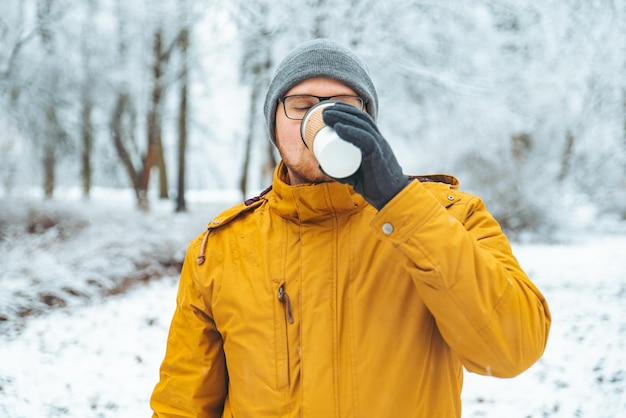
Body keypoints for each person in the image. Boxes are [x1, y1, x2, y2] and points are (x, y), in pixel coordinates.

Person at [150, 38, 551, 417]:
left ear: (369, 124)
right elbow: (182, 405)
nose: (320, 119)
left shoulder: (449, 217)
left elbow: (511, 349)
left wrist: (400, 201)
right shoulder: (221, 249)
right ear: (274, 125)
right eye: (300, 104)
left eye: (343, 105)